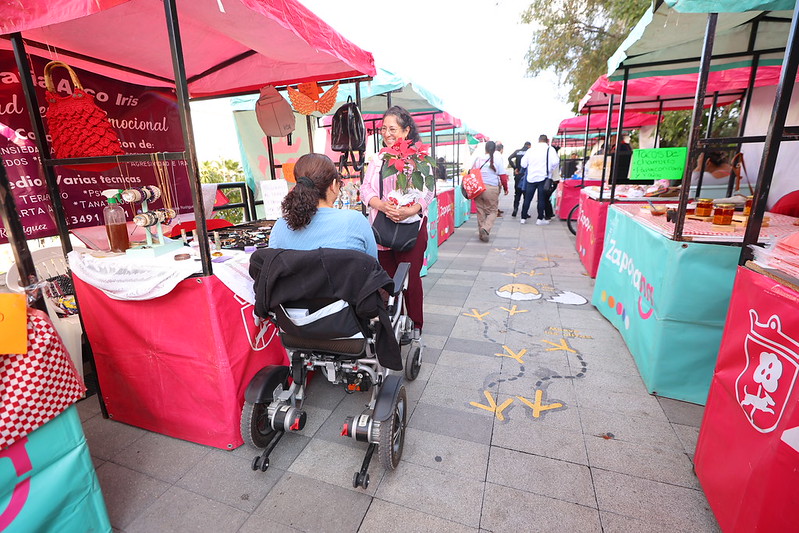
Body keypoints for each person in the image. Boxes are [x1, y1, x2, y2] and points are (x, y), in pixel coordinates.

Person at [361, 106, 435, 341]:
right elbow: (366, 189)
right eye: (383, 128)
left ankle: (415, 324)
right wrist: (382, 206)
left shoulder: (419, 159)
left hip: (410, 229)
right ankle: (395, 322)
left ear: (406, 131)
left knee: (410, 281)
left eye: (392, 128)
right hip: (382, 228)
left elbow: (429, 191)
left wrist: (410, 210)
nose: (387, 133)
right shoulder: (378, 159)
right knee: (387, 281)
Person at [269, 153, 377, 258]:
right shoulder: (355, 221)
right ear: (334, 185)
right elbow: (374, 268)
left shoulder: (280, 227)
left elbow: (273, 271)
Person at [471, 141, 506, 242]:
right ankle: (485, 229)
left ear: (485, 148)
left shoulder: (478, 159)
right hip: (492, 188)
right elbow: (503, 176)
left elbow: (472, 172)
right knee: (492, 211)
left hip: (479, 188)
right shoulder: (498, 159)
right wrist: (505, 188)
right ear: (494, 149)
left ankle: (482, 233)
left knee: (480, 210)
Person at [519, 134, 559, 225]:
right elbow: (556, 162)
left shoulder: (531, 150)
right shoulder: (550, 149)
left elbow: (523, 164)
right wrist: (550, 169)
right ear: (547, 141)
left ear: (538, 140)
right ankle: (540, 219)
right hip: (543, 177)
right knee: (541, 199)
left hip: (531, 177)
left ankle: (523, 218)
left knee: (527, 199)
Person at [508, 141, 531, 217]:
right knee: (526, 195)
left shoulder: (517, 151)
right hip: (526, 175)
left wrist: (515, 167)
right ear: (529, 146)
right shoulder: (529, 152)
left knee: (517, 193)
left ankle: (515, 209)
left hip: (518, 174)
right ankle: (525, 212)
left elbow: (509, 158)